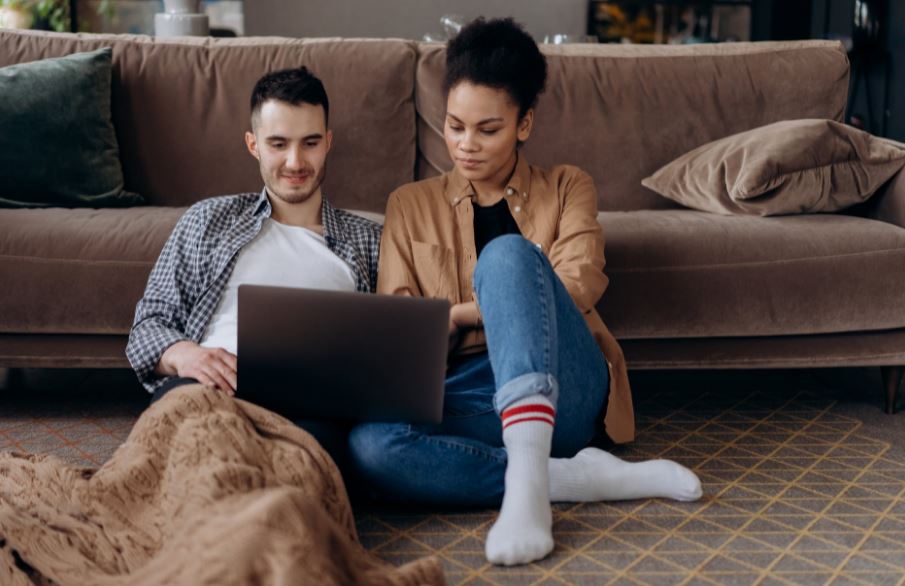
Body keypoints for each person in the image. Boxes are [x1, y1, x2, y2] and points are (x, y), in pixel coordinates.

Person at [347, 18, 702, 566]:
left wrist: (461, 315)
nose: (465, 146)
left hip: (566, 385)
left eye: (487, 130)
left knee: (509, 255)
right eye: (454, 126)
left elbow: (576, 283)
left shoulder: (568, 188)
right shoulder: (408, 204)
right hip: (467, 389)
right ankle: (569, 478)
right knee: (371, 446)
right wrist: (438, 327)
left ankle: (530, 492)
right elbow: (406, 323)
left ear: (524, 123)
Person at [126, 66, 381, 462]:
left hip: (310, 411)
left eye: (310, 142)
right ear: (253, 144)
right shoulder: (207, 220)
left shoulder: (369, 241)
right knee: (196, 451)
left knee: (293, 473)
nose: (295, 162)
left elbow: (394, 352)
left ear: (328, 142)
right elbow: (147, 327)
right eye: (278, 144)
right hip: (208, 393)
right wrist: (185, 354)